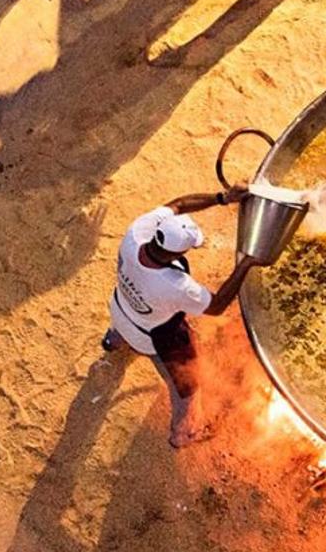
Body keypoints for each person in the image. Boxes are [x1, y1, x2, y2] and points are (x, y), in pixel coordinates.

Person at [103, 187, 246, 447]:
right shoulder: (175, 285)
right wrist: (245, 264)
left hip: (119, 307)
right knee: (188, 386)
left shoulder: (137, 234)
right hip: (152, 337)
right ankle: (184, 433)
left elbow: (179, 203)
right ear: (175, 255)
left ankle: (112, 342)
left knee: (125, 320)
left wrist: (223, 198)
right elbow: (217, 306)